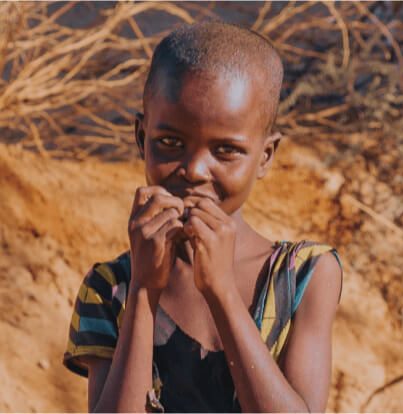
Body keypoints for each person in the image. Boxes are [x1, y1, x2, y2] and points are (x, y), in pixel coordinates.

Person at [63, 21, 343, 413]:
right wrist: (143, 291)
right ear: (142, 138)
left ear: (265, 156)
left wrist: (221, 292)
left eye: (226, 150)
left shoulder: (302, 277)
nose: (194, 170)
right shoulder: (110, 289)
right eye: (170, 142)